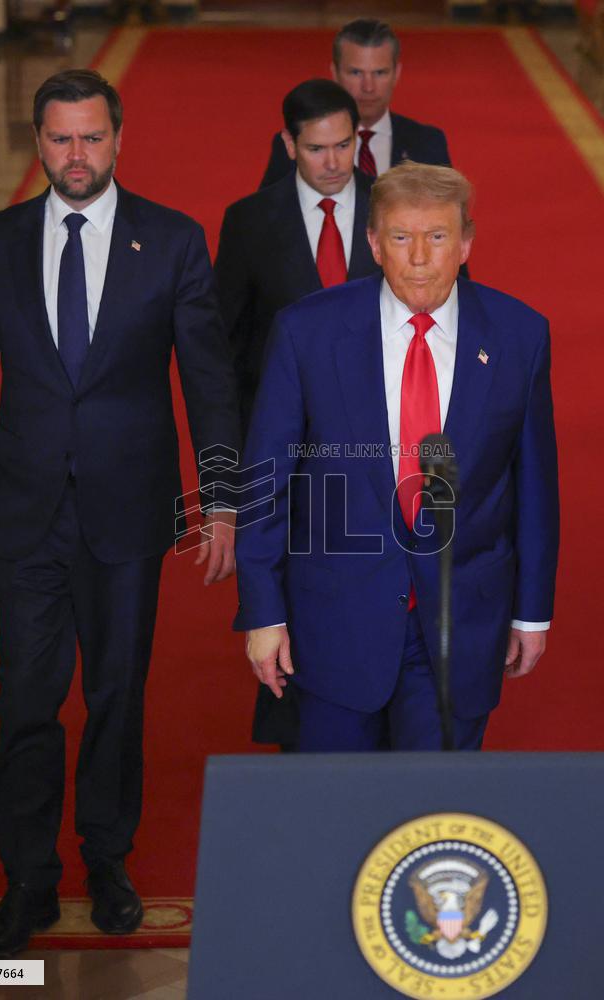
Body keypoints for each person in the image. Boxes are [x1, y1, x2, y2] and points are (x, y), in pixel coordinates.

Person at [0, 69, 240, 957]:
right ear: (38, 144)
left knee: (116, 695)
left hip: (128, 512)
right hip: (24, 510)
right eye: (62, 139)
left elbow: (210, 386)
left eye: (93, 138)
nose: (78, 155)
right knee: (26, 700)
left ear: (119, 138)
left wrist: (221, 499)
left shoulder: (175, 241)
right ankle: (26, 880)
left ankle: (107, 861)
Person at [234, 162, 559, 753]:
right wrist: (263, 611)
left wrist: (532, 612)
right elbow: (266, 481)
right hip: (334, 621)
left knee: (432, 824)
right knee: (337, 816)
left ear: (465, 243)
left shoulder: (519, 336)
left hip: (462, 624)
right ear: (374, 244)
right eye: (401, 238)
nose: (418, 257)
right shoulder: (307, 332)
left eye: (436, 237)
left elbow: (533, 485)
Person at [215, 78, 379, 746]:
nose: (334, 163)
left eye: (344, 146)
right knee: (290, 605)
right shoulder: (250, 222)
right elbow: (223, 354)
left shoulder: (389, 209)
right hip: (285, 465)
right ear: (288, 145)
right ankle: (301, 742)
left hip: (377, 461)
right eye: (317, 149)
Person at [259, 19, 452, 189]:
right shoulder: (299, 142)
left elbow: (451, 218)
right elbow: (268, 217)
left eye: (380, 73)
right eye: (356, 73)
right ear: (335, 73)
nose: (368, 87)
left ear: (397, 73)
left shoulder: (428, 143)